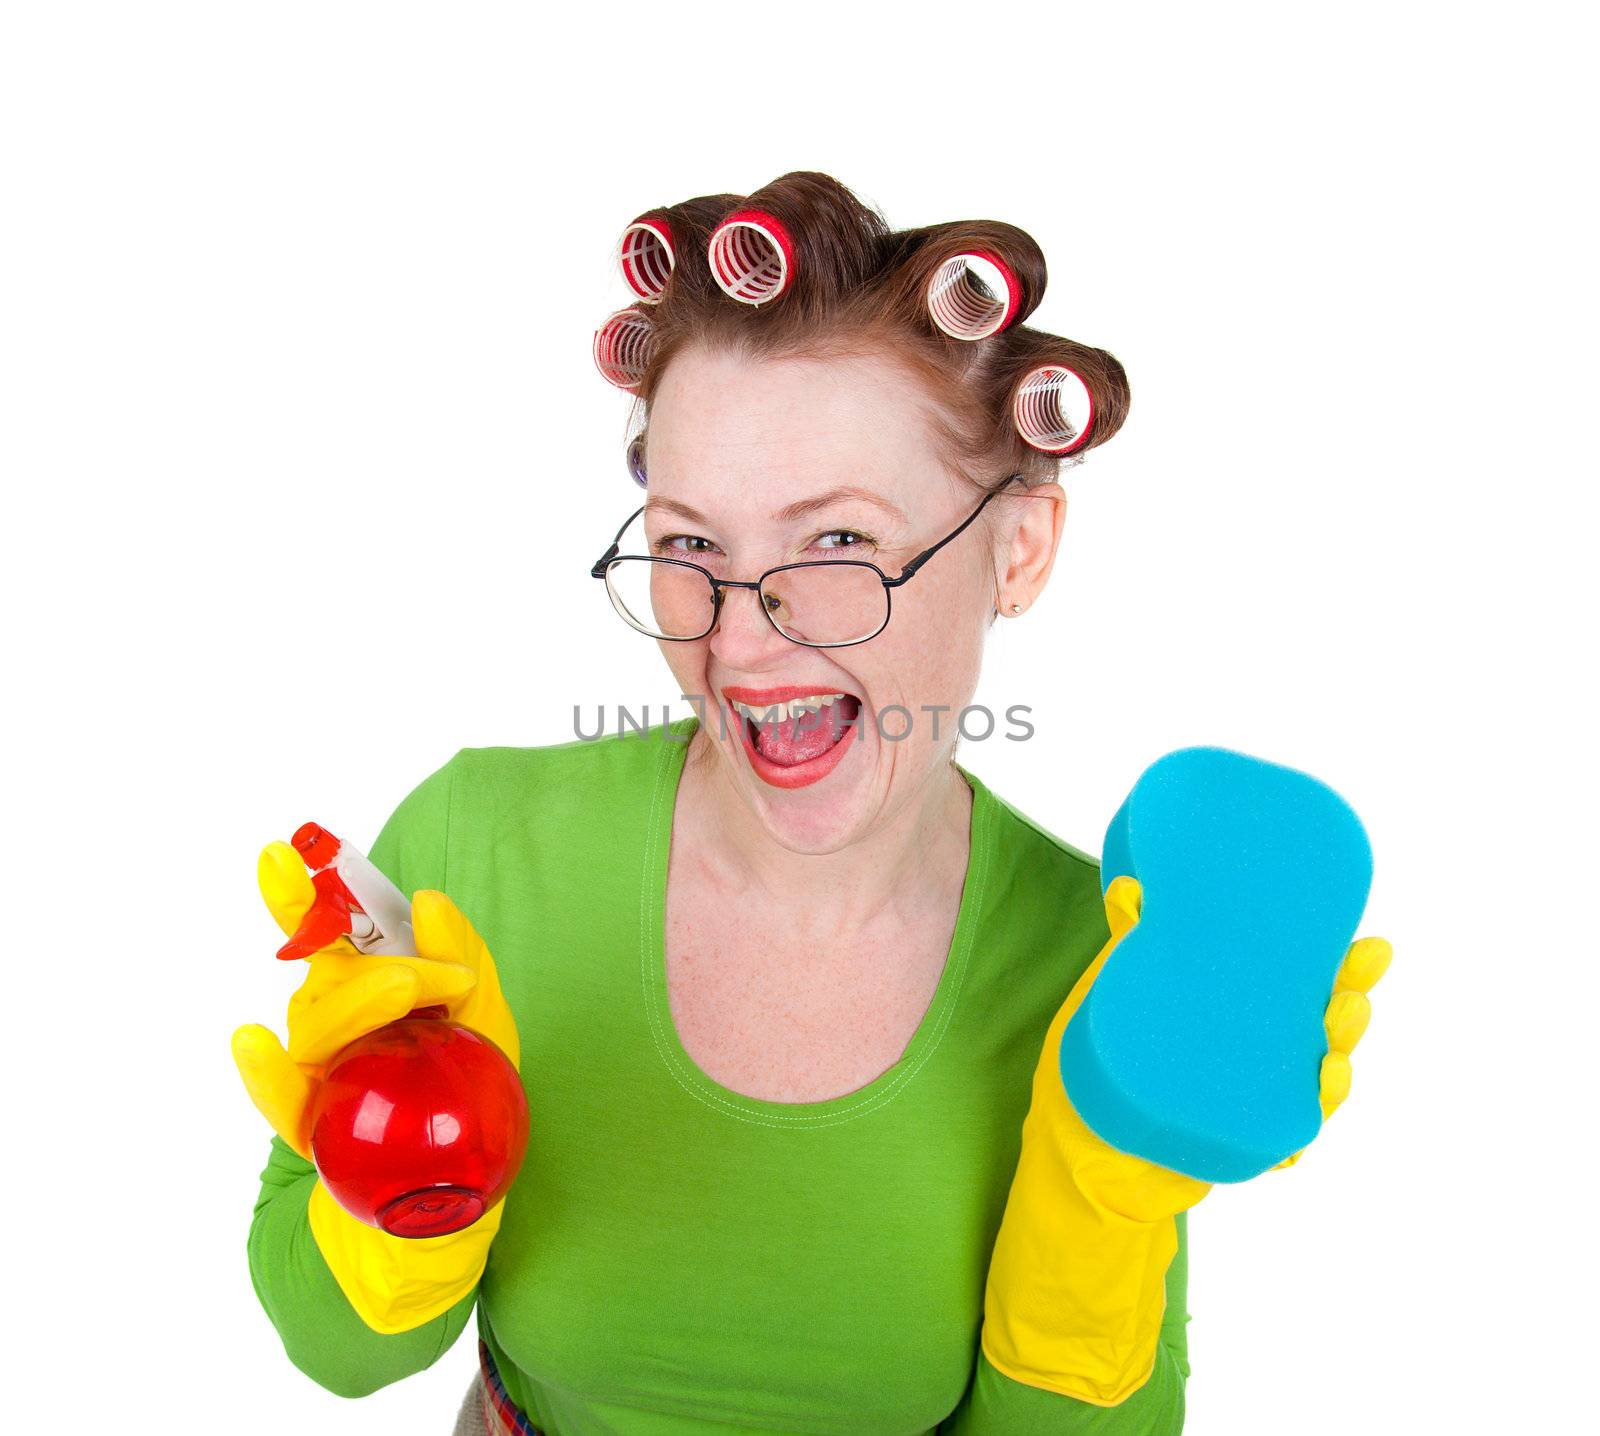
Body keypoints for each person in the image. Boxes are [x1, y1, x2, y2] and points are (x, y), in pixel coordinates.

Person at [233, 171, 1390, 1435]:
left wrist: (1099, 1199)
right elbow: (337, 1352)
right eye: (688, 546)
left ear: (1019, 547)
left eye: (836, 545)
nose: (741, 639)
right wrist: (400, 1165)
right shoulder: (476, 852)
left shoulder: (1096, 969)